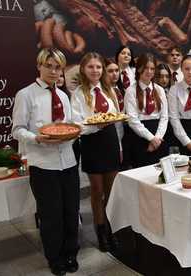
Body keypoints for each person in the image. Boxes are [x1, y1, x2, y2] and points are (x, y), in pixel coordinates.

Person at [12, 48, 80, 275]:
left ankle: (71, 252)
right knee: (51, 215)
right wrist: (37, 138)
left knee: (71, 210)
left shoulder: (62, 95)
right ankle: (55, 257)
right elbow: (17, 130)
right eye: (48, 66)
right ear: (39, 66)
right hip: (43, 164)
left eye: (57, 67)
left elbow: (69, 124)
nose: (53, 71)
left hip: (68, 161)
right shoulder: (26, 94)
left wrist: (75, 131)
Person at [72, 52, 120, 252]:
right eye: (91, 67)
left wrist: (120, 146)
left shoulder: (109, 90)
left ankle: (110, 230)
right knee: (97, 191)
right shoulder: (78, 93)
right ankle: (100, 233)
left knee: (111, 191)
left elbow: (116, 117)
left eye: (98, 67)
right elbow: (77, 125)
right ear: (83, 69)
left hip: (109, 140)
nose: (95, 70)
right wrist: (97, 126)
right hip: (92, 142)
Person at [125, 53, 169, 168]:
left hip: (159, 135)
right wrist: (151, 138)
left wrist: (157, 139)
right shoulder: (131, 91)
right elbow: (132, 120)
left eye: (152, 68)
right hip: (140, 138)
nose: (149, 71)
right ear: (139, 68)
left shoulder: (159, 90)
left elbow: (164, 117)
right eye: (146, 68)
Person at [104, 58, 128, 168]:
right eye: (110, 71)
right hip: (111, 137)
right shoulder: (103, 92)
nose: (114, 74)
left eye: (116, 70)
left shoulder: (122, 89)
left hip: (126, 135)